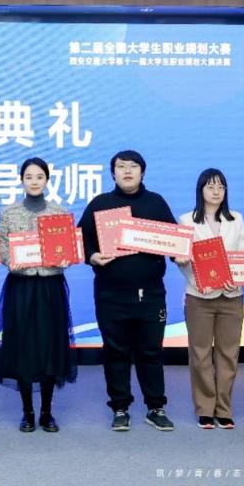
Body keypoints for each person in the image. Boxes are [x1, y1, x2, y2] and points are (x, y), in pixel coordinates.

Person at [79, 150, 176, 433]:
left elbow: (174, 239)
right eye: (121, 167)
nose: (127, 171)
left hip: (151, 295)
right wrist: (92, 256)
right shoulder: (101, 204)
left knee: (151, 352)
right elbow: (81, 238)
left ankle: (155, 407)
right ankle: (120, 408)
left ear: (142, 172)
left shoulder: (156, 202)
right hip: (111, 295)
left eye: (133, 166)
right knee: (115, 352)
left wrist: (180, 254)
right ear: (113, 173)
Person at [0, 157, 76, 433]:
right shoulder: (9, 213)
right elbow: (2, 247)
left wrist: (65, 258)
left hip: (50, 287)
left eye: (39, 177)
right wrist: (11, 260)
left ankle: (47, 412)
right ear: (22, 181)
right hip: (22, 287)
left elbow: (67, 249)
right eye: (29, 177)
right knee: (23, 348)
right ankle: (27, 412)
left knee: (50, 347)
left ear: (47, 180)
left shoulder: (59, 212)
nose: (34, 181)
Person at [174, 168, 244, 430]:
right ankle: (205, 409)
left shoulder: (236, 219)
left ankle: (224, 409)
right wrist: (193, 272)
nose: (216, 191)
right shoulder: (186, 220)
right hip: (199, 296)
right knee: (200, 354)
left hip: (232, 295)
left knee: (229, 354)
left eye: (221, 187)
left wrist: (237, 278)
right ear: (201, 190)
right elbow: (182, 260)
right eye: (210, 186)